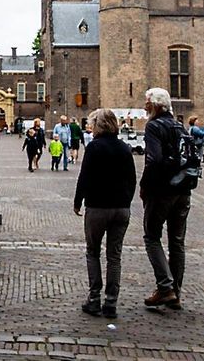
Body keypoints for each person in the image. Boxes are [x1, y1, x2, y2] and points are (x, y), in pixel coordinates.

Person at [74, 108, 136, 319]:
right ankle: (111, 302)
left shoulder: (94, 147)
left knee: (93, 252)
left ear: (98, 126)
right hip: (121, 209)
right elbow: (132, 179)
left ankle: (94, 300)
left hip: (98, 208)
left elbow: (85, 176)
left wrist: (77, 201)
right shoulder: (125, 148)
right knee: (114, 256)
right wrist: (125, 201)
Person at [140, 87, 190, 310]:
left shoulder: (153, 126)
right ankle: (175, 293)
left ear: (156, 105)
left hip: (162, 192)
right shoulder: (180, 126)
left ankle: (165, 287)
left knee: (152, 236)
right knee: (177, 242)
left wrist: (144, 187)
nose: (144, 107)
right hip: (183, 191)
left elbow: (154, 160)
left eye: (147, 103)